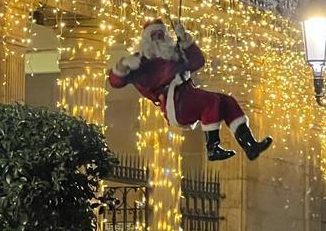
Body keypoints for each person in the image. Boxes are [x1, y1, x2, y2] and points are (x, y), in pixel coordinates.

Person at [108, 19, 272, 162]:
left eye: (161, 34)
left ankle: (249, 145)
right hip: (175, 103)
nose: (159, 39)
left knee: (227, 102)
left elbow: (198, 62)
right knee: (211, 101)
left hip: (187, 95)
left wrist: (185, 40)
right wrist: (123, 65)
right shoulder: (141, 62)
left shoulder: (173, 54)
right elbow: (115, 81)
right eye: (154, 35)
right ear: (146, 40)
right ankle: (212, 148)